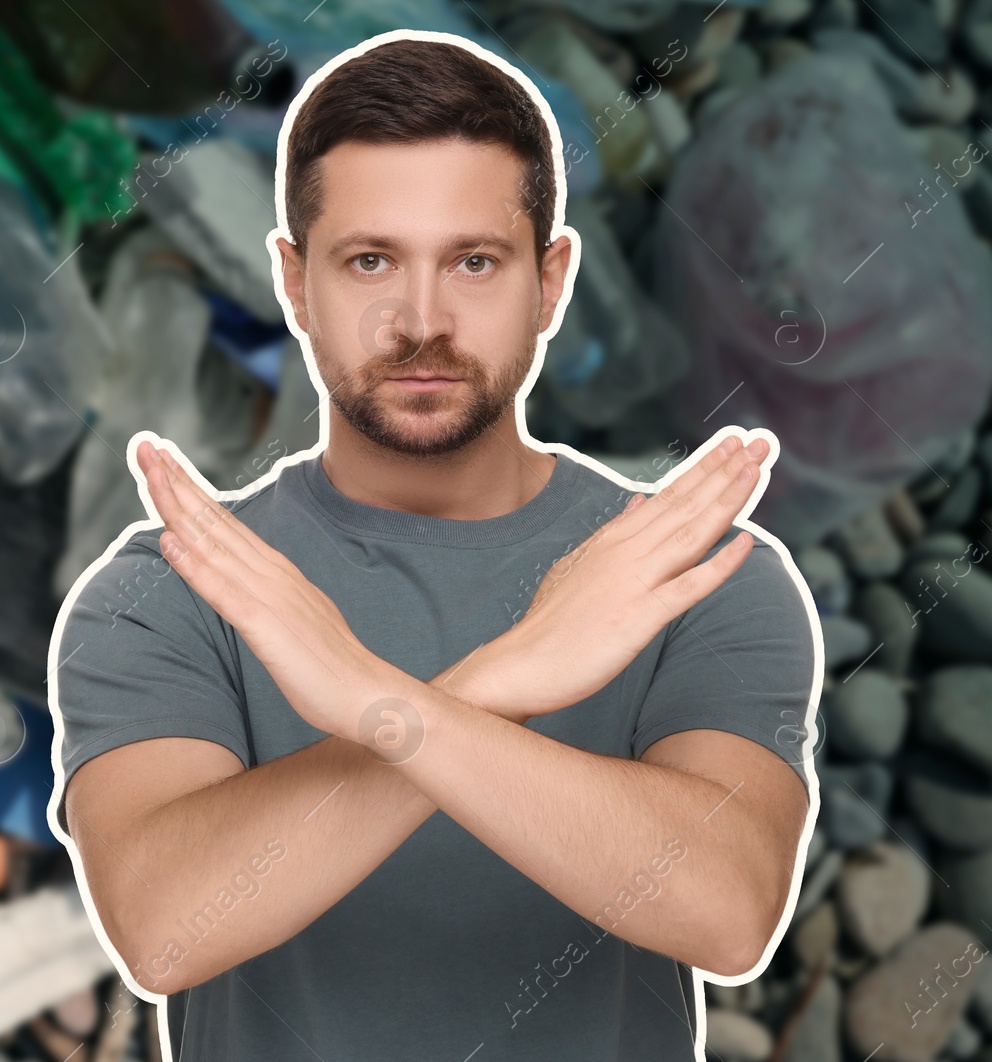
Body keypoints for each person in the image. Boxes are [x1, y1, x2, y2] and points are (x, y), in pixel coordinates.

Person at [47, 29, 820, 1062]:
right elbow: (161, 929)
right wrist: (509, 678)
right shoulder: (175, 590)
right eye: (370, 261)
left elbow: (727, 913)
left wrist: (379, 705)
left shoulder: (691, 572)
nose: (421, 322)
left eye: (473, 262)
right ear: (293, 282)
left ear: (549, 283)